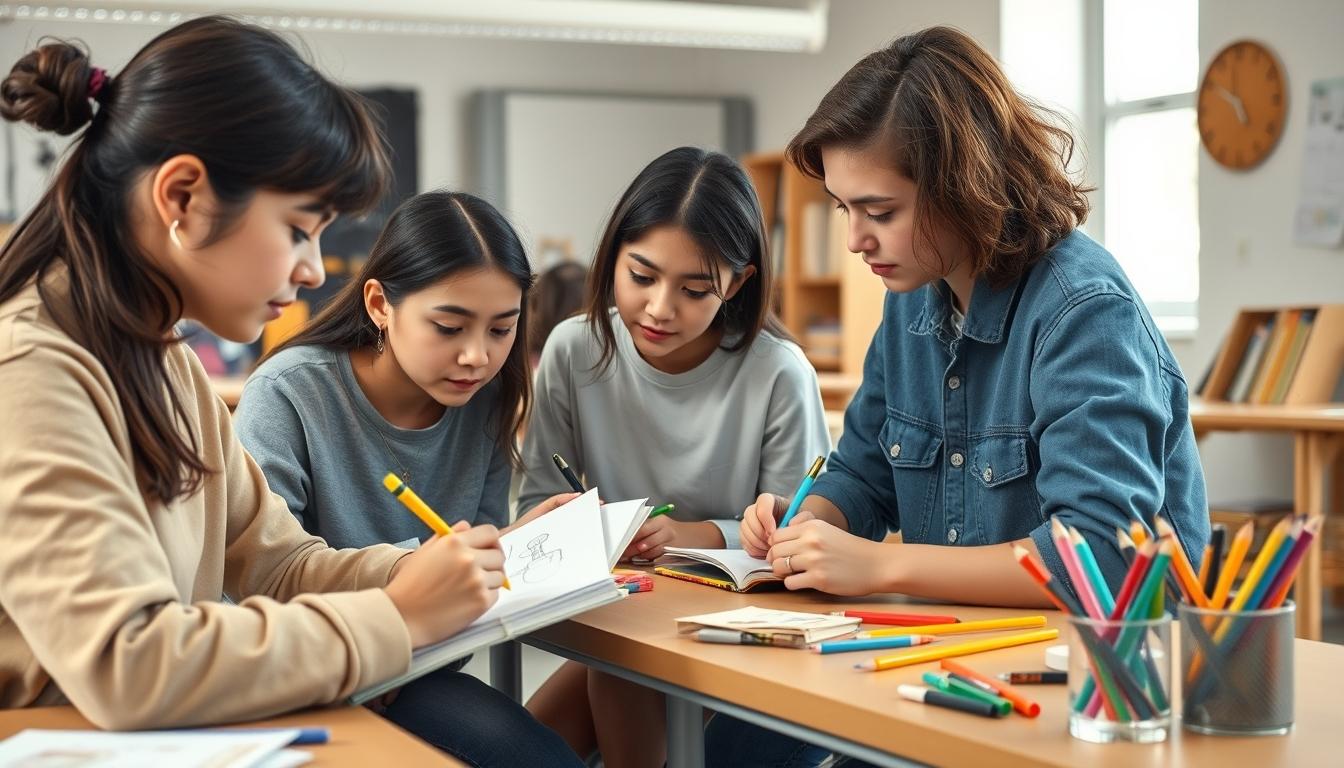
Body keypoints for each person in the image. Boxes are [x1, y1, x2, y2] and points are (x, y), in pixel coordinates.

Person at [0, 17, 583, 766]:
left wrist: (416, 574)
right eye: (299, 229)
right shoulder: (33, 368)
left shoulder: (163, 362)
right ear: (183, 197)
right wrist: (396, 617)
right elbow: (129, 662)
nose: (311, 270)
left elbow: (280, 563)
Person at [711, 25, 1209, 767]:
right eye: (844, 208)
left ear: (964, 187)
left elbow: (1103, 558)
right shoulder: (912, 299)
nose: (855, 240)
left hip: (1099, 689)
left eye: (880, 212)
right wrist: (811, 524)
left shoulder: (1084, 311)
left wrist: (881, 567)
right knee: (737, 739)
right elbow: (864, 473)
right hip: (954, 655)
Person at [520, 147, 831, 768]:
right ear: (613, 256)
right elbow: (535, 505)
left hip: (742, 623)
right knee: (517, 748)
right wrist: (586, 527)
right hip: (624, 608)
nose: (661, 308)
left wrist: (695, 535)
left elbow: (799, 539)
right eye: (641, 277)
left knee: (617, 662)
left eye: (695, 290)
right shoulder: (572, 349)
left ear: (737, 283)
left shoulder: (779, 372)